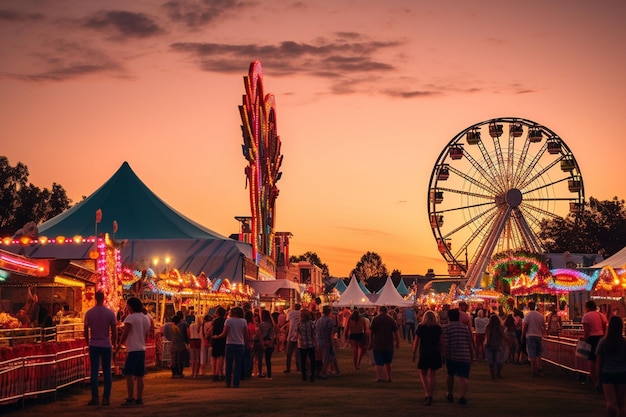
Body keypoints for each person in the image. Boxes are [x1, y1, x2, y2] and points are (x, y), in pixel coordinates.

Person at [84, 290, 117, 406]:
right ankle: (106, 397)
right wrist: (114, 343)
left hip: (94, 344)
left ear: (95, 299)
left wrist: (88, 342)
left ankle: (95, 397)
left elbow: (85, 330)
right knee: (107, 372)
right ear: (103, 298)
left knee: (94, 372)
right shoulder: (110, 313)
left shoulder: (89, 313)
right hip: (106, 344)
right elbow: (114, 330)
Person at [116, 297, 151, 406]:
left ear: (130, 306)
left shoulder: (130, 318)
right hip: (141, 348)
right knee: (140, 375)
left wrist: (118, 345)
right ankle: (139, 398)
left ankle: (131, 398)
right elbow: (145, 333)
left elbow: (125, 333)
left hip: (133, 349)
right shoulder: (145, 318)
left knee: (129, 374)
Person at [596, 316, 626, 417]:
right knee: (621, 404)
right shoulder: (624, 342)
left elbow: (599, 362)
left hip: (607, 373)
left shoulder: (603, 342)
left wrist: (597, 379)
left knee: (611, 402)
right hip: (622, 373)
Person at [411, 310, 443, 405]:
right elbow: (441, 342)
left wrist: (413, 353)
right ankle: (431, 394)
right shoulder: (437, 328)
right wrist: (443, 353)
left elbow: (416, 341)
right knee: (432, 373)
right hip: (435, 351)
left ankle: (427, 393)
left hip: (424, 352)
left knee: (423, 373)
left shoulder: (421, 327)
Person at [443, 308, 473, 405]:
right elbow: (469, 342)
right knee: (463, 377)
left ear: (449, 317)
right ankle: (463, 396)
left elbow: (445, 342)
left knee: (450, 374)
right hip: (464, 355)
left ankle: (450, 393)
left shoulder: (446, 328)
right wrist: (472, 354)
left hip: (452, 355)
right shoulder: (465, 328)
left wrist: (445, 354)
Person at [213, 306, 249, 388]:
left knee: (229, 364)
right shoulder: (243, 321)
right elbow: (246, 334)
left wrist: (217, 336)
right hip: (240, 344)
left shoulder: (228, 321)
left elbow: (224, 333)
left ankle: (228, 381)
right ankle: (236, 382)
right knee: (238, 364)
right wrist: (247, 343)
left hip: (230, 343)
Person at [370, 305, 401, 383]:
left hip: (377, 343)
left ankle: (379, 377)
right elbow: (396, 333)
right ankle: (389, 377)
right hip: (388, 344)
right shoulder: (391, 320)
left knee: (378, 362)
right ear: (387, 311)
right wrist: (397, 343)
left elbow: (371, 332)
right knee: (388, 362)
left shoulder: (375, 320)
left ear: (379, 311)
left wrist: (370, 342)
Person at [583, 299, 608, 388]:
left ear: (587, 307)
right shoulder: (602, 316)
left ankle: (595, 381)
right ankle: (601, 380)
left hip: (592, 339)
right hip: (601, 338)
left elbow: (586, 331)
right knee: (600, 360)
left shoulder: (586, 316)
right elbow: (605, 329)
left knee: (591, 360)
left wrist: (585, 341)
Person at [484, 314, 513, 381]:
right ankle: (498, 373)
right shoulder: (500, 327)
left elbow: (488, 336)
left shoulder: (488, 327)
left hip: (490, 345)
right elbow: (503, 336)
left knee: (491, 361)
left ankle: (492, 375)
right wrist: (509, 341)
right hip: (497, 344)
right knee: (497, 359)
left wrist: (487, 343)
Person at [316, 305, 340, 379]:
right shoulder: (329, 321)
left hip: (319, 340)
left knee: (331, 356)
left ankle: (338, 371)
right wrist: (330, 342)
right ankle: (323, 372)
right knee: (327, 357)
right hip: (326, 341)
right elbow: (329, 333)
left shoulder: (319, 320)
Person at [522, 300, 545, 377]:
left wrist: (523, 335)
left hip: (530, 335)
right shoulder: (540, 315)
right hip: (538, 335)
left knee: (532, 354)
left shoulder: (528, 315)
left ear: (528, 307)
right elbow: (543, 326)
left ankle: (534, 370)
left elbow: (525, 326)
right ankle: (540, 368)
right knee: (538, 353)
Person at [297, 309, 317, 382]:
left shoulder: (299, 325)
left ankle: (304, 376)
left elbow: (297, 334)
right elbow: (313, 334)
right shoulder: (311, 324)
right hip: (311, 344)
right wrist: (316, 343)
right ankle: (312, 375)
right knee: (312, 360)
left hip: (302, 345)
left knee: (303, 360)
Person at [283, 303, 302, 373]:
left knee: (289, 353)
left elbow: (287, 320)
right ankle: (298, 368)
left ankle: (288, 368)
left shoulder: (290, 313)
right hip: (298, 334)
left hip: (291, 334)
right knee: (298, 353)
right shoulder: (300, 313)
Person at [258, 309, 276, 380]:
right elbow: (273, 334)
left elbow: (259, 334)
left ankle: (260, 372)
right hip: (270, 342)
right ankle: (269, 374)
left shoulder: (261, 325)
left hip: (263, 341)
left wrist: (262, 343)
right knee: (268, 359)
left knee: (260, 358)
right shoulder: (271, 324)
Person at [210, 307, 226, 381]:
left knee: (214, 357)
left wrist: (212, 336)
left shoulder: (215, 321)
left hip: (215, 339)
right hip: (222, 340)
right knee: (220, 357)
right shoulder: (225, 321)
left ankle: (214, 374)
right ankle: (220, 373)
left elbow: (211, 330)